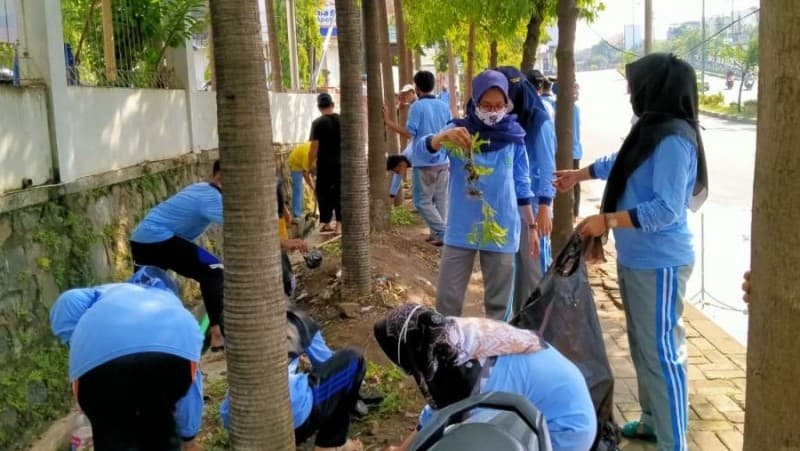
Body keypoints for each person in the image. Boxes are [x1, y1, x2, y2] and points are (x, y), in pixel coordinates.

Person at [554, 53, 709, 451]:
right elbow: (621, 163)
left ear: (654, 88)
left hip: (660, 262)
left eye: (634, 86)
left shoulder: (673, 139)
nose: (630, 93)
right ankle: (654, 421)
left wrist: (606, 221)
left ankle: (674, 443)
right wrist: (580, 174)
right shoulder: (650, 129)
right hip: (637, 259)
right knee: (643, 345)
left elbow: (666, 209)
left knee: (663, 353)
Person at [375, 304, 597, 451]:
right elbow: (437, 415)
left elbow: (473, 431)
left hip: (566, 430)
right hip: (551, 403)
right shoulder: (447, 337)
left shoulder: (479, 377)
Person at [415, 70, 538, 320]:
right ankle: (448, 344)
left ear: (507, 104)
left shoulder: (514, 137)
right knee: (447, 304)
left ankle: (496, 346)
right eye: (486, 105)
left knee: (499, 308)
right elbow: (419, 153)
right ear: (475, 101)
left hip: (501, 228)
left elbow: (522, 185)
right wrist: (439, 138)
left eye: (499, 105)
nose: (492, 111)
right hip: (461, 229)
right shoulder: (458, 132)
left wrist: (532, 226)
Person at [50, 266, 203, 451]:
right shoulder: (174, 307)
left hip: (99, 370)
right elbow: (191, 389)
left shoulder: (113, 290)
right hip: (168, 361)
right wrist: (189, 437)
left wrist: (79, 340)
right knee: (160, 427)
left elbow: (68, 300)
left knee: (112, 432)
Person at [220, 309, 366, 451]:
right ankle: (331, 444)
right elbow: (326, 361)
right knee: (353, 360)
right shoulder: (296, 321)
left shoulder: (232, 318)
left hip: (238, 423)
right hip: (289, 419)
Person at [130, 160, 224, 351]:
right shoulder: (212, 197)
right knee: (213, 268)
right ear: (220, 176)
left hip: (141, 240)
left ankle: (145, 344)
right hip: (159, 239)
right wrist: (284, 242)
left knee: (147, 293)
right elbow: (244, 227)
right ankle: (217, 334)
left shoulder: (200, 187)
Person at [493, 66, 557, 315]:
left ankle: (538, 324)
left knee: (534, 270)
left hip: (535, 205)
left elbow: (548, 168)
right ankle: (517, 323)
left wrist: (545, 207)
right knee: (512, 270)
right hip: (510, 203)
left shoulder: (539, 122)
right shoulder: (506, 120)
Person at [384, 70, 452, 245]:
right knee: (441, 199)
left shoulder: (417, 107)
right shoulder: (443, 106)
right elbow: (450, 130)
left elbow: (409, 133)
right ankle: (437, 234)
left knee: (422, 201)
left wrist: (389, 122)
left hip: (423, 161)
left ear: (417, 88)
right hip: (443, 160)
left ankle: (443, 233)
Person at [309, 93, 342, 235]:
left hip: (324, 165)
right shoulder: (342, 120)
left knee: (324, 192)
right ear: (332, 105)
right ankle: (339, 226)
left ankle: (326, 223)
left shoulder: (317, 123)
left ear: (319, 107)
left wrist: (309, 164)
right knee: (340, 192)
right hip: (342, 163)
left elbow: (314, 147)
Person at [286, 141, 316, 220]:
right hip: (295, 163)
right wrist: (313, 188)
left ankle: (299, 212)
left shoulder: (316, 149)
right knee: (298, 189)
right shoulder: (307, 155)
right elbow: (306, 175)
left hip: (302, 160)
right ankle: (296, 214)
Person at [572, 83, 584, 218]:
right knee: (575, 183)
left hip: (574, 151)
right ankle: (574, 213)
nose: (577, 92)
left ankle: (575, 213)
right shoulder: (573, 108)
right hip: (573, 151)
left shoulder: (574, 108)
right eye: (575, 89)